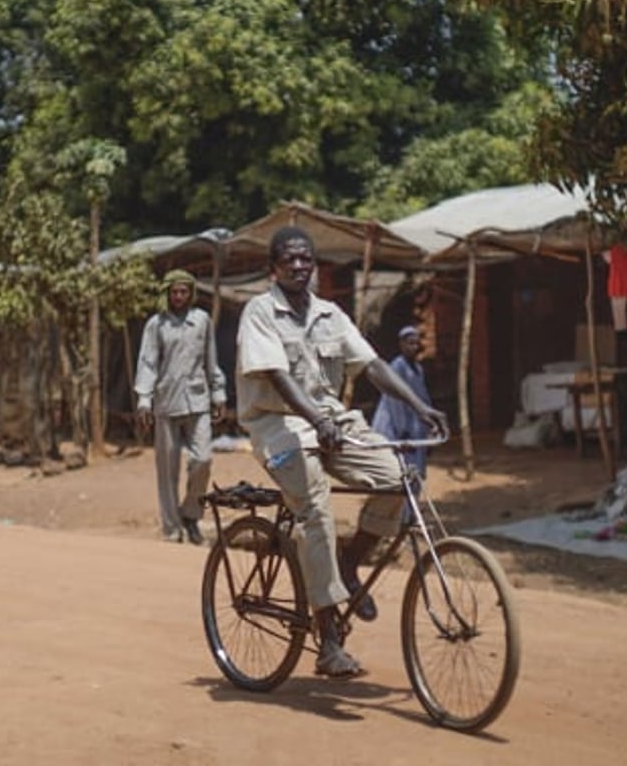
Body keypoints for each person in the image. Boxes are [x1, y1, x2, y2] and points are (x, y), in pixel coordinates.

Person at [236, 227, 447, 679]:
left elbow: (370, 364)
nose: (298, 266)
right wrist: (316, 421)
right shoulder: (259, 312)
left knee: (401, 477)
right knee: (316, 509)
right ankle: (328, 638)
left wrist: (419, 404)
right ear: (274, 267)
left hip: (331, 419)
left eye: (305, 259)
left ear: (315, 265)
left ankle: (349, 563)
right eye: (289, 259)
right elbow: (276, 377)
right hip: (277, 426)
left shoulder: (330, 314)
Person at [134, 269, 227, 545]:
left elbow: (211, 359)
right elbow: (148, 363)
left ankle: (191, 512)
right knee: (167, 469)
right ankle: (172, 528)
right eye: (174, 292)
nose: (178, 296)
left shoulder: (202, 321)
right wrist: (144, 399)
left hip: (198, 400)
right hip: (166, 402)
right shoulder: (156, 325)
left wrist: (218, 392)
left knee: (203, 458)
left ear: (191, 293)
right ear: (167, 293)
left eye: (183, 291)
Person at [371, 325, 434, 478]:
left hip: (415, 426)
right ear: (402, 344)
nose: (414, 347)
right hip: (396, 427)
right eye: (410, 343)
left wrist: (430, 425)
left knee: (416, 471)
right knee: (401, 472)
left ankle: (413, 501)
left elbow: (423, 397)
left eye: (416, 343)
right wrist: (403, 430)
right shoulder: (397, 367)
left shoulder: (418, 368)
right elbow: (395, 401)